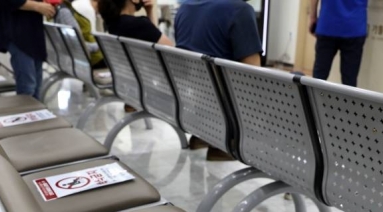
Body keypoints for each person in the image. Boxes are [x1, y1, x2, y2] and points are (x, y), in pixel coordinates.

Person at [175, 0, 262, 160]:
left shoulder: (184, 8)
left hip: (194, 101)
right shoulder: (240, 10)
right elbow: (253, 75)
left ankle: (203, 135)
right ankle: (228, 141)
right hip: (226, 109)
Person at [0, 0, 56, 99]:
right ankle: (25, 108)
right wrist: (38, 6)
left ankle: (33, 108)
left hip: (32, 32)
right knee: (27, 87)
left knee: (36, 88)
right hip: (18, 33)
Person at [309, 0, 367, 87]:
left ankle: (315, 96)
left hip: (327, 23)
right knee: (349, 81)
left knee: (319, 77)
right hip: (355, 26)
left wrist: (312, 17)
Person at [53, 0, 106, 69]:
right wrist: (100, 45)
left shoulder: (67, 8)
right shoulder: (65, 12)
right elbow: (78, 45)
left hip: (78, 57)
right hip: (86, 60)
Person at [96, 0, 173, 46]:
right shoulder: (140, 25)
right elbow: (169, 48)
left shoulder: (112, 23)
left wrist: (149, 12)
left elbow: (153, 37)